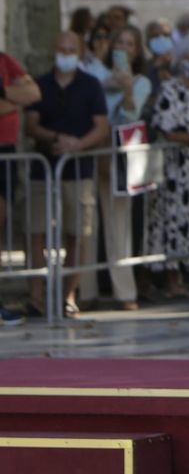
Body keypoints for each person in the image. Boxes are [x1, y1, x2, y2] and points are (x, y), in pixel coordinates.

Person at [25, 32, 110, 318]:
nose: (66, 53)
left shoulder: (91, 85)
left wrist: (79, 145)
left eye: (71, 49)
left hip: (79, 170)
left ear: (80, 52)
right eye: (61, 48)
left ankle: (68, 295)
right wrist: (54, 138)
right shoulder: (39, 84)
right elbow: (31, 124)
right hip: (43, 168)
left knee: (78, 233)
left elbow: (101, 125)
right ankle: (36, 297)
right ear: (54, 50)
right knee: (36, 231)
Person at [86, 26, 154, 311]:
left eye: (130, 44)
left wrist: (125, 87)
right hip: (91, 149)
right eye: (119, 43)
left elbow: (129, 114)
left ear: (137, 50)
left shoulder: (142, 82)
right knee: (86, 224)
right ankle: (85, 290)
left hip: (119, 152)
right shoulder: (95, 76)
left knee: (119, 224)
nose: (124, 48)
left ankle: (124, 291)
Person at [146, 39, 189, 299]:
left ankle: (186, 272)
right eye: (188, 57)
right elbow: (165, 128)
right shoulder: (170, 89)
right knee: (170, 220)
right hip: (171, 170)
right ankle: (170, 278)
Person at [0, 53, 40, 326]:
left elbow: (32, 93)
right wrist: (13, 100)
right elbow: (19, 98)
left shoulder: (5, 60)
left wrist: (4, 94)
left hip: (6, 154)